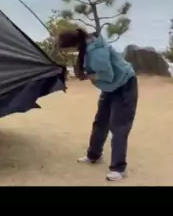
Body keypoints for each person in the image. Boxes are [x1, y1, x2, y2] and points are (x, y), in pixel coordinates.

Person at [57, 28, 138, 182]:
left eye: (66, 48)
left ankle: (118, 169)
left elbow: (108, 75)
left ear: (73, 44)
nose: (67, 52)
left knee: (119, 127)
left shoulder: (97, 52)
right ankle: (94, 155)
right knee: (101, 122)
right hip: (110, 88)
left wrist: (87, 76)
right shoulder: (87, 47)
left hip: (124, 85)